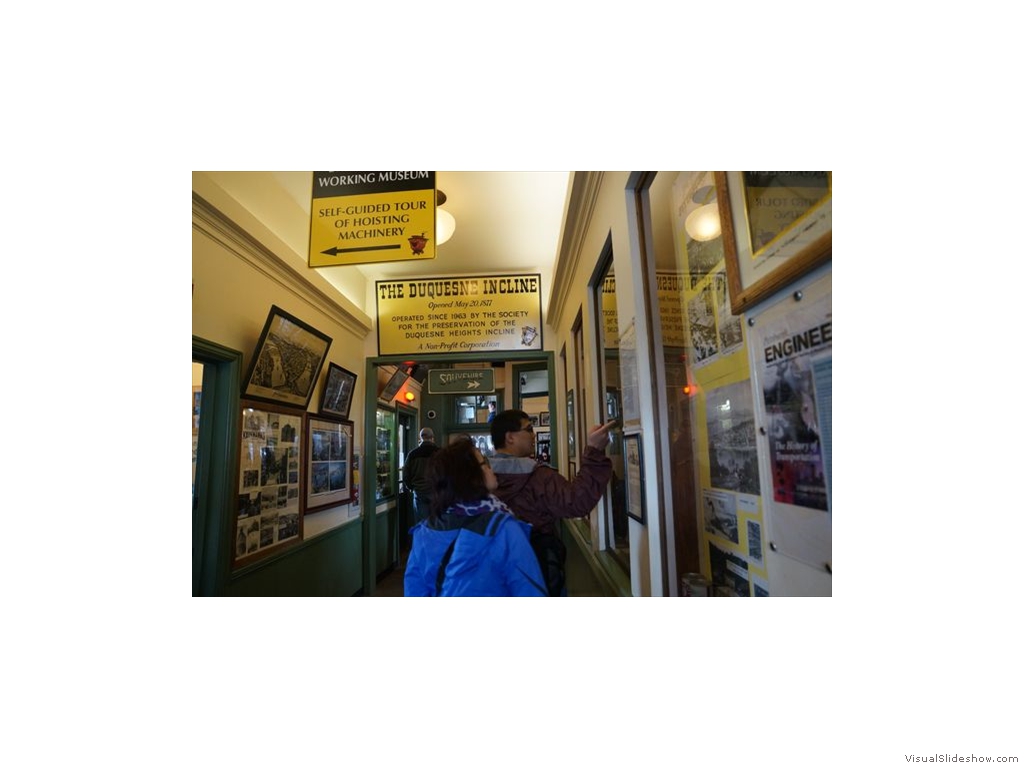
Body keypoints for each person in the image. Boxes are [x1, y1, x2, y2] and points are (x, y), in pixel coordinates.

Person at [489, 409, 614, 596]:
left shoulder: (480, 479)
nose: (533, 435)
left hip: (495, 572)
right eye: (529, 429)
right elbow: (576, 501)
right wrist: (594, 452)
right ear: (510, 437)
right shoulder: (539, 477)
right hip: (539, 567)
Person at [404, 439, 547, 597]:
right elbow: (530, 590)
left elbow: (414, 591)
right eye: (484, 462)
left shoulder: (423, 533)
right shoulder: (503, 530)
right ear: (470, 477)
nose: (490, 467)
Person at [402, 428, 441, 524]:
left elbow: (406, 475)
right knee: (436, 524)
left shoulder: (413, 454)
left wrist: (411, 487)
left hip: (419, 493)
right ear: (432, 438)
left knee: (421, 524)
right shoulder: (440, 453)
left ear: (420, 438)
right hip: (436, 493)